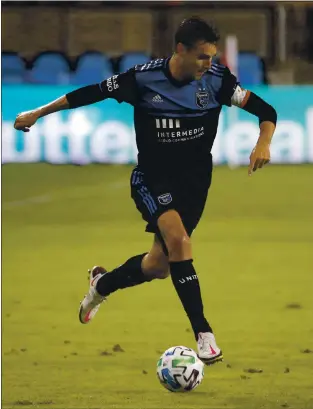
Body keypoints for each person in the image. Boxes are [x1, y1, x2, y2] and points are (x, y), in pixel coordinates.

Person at [14, 17, 277, 366]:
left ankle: (101, 285)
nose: (208, 64)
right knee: (180, 242)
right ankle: (204, 334)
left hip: (195, 184)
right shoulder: (141, 79)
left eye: (212, 56)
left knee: (158, 265)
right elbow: (89, 93)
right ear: (180, 50)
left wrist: (263, 142)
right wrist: (38, 112)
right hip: (153, 179)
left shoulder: (217, 82)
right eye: (202, 56)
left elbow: (266, 110)